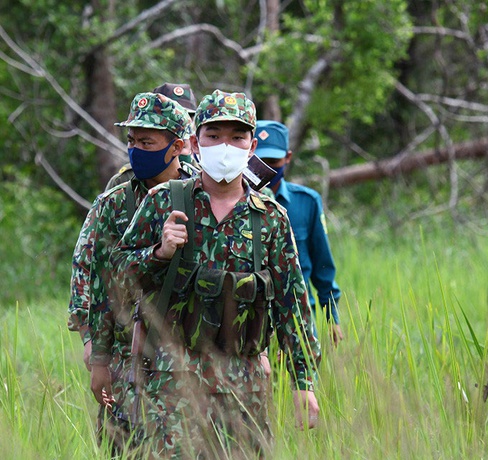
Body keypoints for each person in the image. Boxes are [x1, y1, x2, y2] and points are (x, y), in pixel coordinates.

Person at [110, 90, 321, 458]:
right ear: (194, 142)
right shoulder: (163, 201)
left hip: (245, 386)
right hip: (172, 385)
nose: (225, 146)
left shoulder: (269, 217)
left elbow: (293, 305)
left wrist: (303, 383)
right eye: (214, 135)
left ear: (252, 145)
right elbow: (118, 279)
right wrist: (159, 253)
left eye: (237, 137)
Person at [68, 92, 197, 453]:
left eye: (147, 142)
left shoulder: (203, 195)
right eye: (132, 141)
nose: (136, 149)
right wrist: (94, 347)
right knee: (123, 445)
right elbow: (91, 273)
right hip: (129, 352)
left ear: (177, 146)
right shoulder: (115, 202)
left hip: (194, 354)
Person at [254, 120, 343, 345]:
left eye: (274, 161)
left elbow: (322, 263)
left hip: (298, 318)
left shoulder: (306, 202)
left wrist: (331, 316)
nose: (268, 169)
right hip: (251, 321)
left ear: (288, 158)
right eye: (261, 161)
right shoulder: (233, 203)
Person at [105, 82, 199, 190]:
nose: (180, 125)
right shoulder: (121, 190)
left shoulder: (203, 184)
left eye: (187, 117)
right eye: (131, 141)